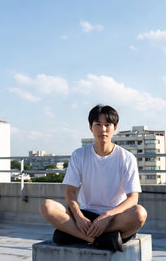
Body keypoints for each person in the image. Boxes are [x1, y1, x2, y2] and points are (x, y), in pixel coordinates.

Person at [39, 104, 147, 252]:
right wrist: (78, 217)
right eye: (98, 124)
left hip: (115, 217)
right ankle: (100, 240)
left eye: (107, 125)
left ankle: (74, 235)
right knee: (47, 207)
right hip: (86, 215)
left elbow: (132, 198)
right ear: (91, 127)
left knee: (139, 214)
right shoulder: (79, 155)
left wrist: (107, 216)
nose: (103, 129)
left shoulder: (127, 158)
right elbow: (70, 193)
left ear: (114, 128)